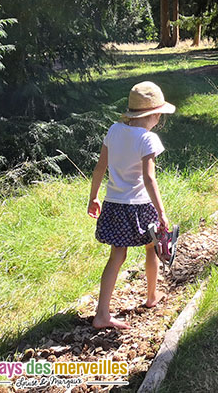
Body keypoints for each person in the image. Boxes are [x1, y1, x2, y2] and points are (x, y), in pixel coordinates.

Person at [87, 81, 175, 329]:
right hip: (139, 206)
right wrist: (161, 212)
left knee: (117, 255)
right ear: (155, 115)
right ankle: (151, 297)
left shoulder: (114, 130)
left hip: (114, 204)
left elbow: (99, 167)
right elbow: (149, 178)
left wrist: (93, 197)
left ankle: (102, 313)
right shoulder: (148, 139)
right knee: (152, 248)